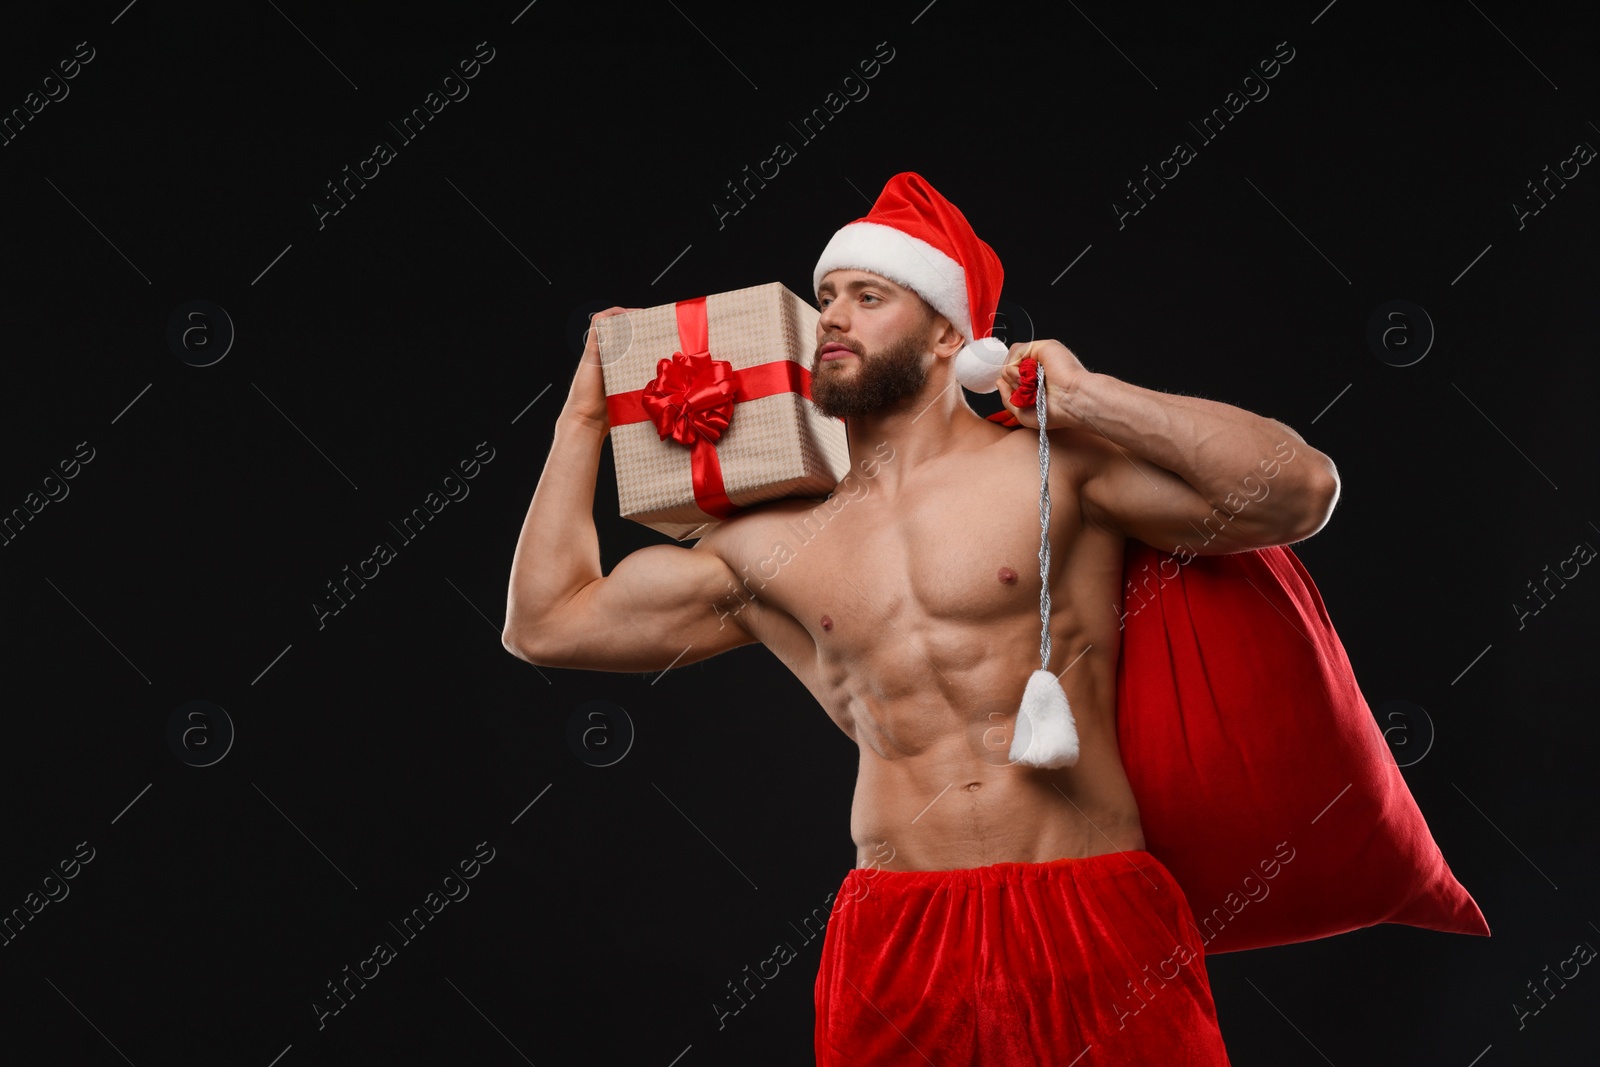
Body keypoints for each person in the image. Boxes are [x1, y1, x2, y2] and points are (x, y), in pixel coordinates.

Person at [500, 173, 1339, 1064]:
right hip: (901, 931)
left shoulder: (1058, 470)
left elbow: (1301, 491)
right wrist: (586, 412)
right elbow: (547, 621)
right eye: (826, 298)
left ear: (951, 334)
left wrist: (1088, 397)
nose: (832, 318)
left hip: (1085, 905)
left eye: (869, 296)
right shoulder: (769, 541)